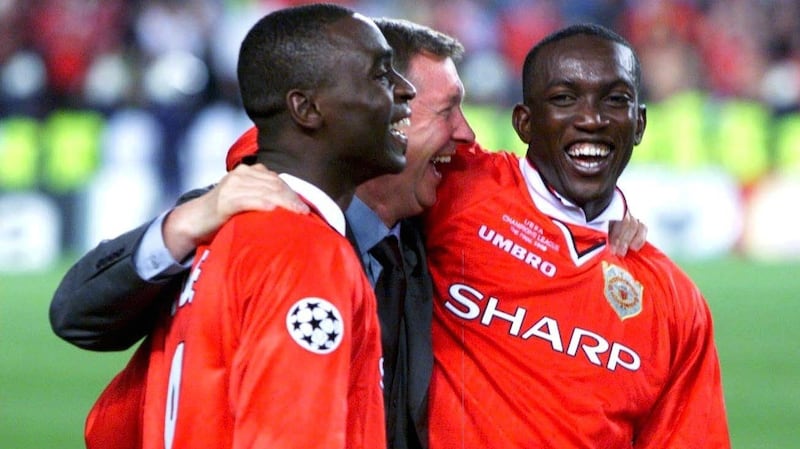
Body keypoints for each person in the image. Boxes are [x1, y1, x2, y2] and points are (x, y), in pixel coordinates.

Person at [50, 17, 648, 449]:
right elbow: (77, 314)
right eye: (442, 110)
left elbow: (535, 181)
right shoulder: (246, 219)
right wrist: (181, 223)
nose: (467, 134)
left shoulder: (420, 228)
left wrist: (598, 220)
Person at [82, 4, 416, 448]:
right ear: (307, 109)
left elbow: (109, 429)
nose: (405, 90)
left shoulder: (217, 242)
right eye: (379, 75)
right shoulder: (304, 252)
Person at [422, 24, 730, 447]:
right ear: (524, 123)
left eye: (616, 100)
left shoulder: (675, 303)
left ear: (638, 125)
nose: (592, 120)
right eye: (564, 99)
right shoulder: (458, 187)